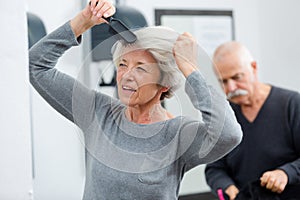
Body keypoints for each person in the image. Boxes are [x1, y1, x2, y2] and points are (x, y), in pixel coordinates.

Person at [29, 1, 243, 199]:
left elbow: (229, 134)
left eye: (140, 67)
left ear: (165, 84)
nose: (126, 76)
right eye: (122, 64)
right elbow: (36, 66)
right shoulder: (99, 113)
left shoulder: (178, 135)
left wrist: (191, 70)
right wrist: (83, 22)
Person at [205, 41, 300, 200]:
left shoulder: (291, 104)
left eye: (237, 77)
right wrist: (226, 187)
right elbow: (214, 168)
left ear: (254, 67)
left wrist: (286, 173)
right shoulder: (225, 117)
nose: (232, 88)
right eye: (224, 81)